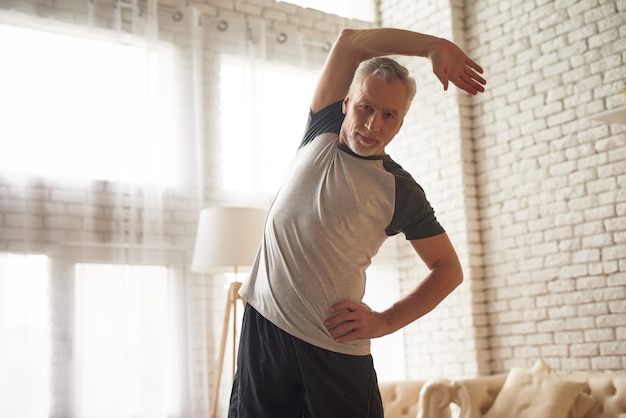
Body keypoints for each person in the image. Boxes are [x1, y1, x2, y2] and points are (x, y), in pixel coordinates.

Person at [228, 27, 486, 418]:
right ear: (346, 103)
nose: (373, 125)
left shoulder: (400, 190)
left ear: (400, 124)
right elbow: (350, 41)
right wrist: (432, 46)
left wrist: (385, 320)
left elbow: (448, 270)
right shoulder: (322, 130)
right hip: (265, 331)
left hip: (333, 350)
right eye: (366, 107)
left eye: (389, 115)